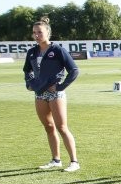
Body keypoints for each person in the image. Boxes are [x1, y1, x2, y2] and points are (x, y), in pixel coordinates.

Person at [23, 16, 80, 172]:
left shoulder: (58, 50)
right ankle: (56, 160)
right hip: (39, 94)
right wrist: (29, 84)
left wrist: (61, 87)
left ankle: (74, 162)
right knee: (48, 127)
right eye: (34, 33)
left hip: (55, 95)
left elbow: (74, 70)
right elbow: (26, 71)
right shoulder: (32, 52)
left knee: (62, 127)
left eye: (40, 32)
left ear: (48, 33)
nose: (36, 35)